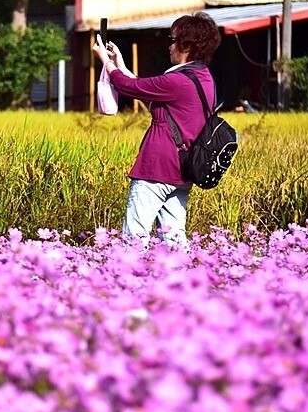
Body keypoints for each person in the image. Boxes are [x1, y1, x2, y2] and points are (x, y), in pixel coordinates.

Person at [92, 12, 221, 246]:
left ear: (186, 45)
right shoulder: (203, 78)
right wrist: (119, 63)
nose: (168, 46)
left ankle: (129, 280)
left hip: (157, 169)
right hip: (182, 171)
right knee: (173, 239)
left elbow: (128, 86)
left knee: (134, 238)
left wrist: (106, 62)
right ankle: (184, 280)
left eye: (171, 39)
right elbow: (144, 91)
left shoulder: (176, 81)